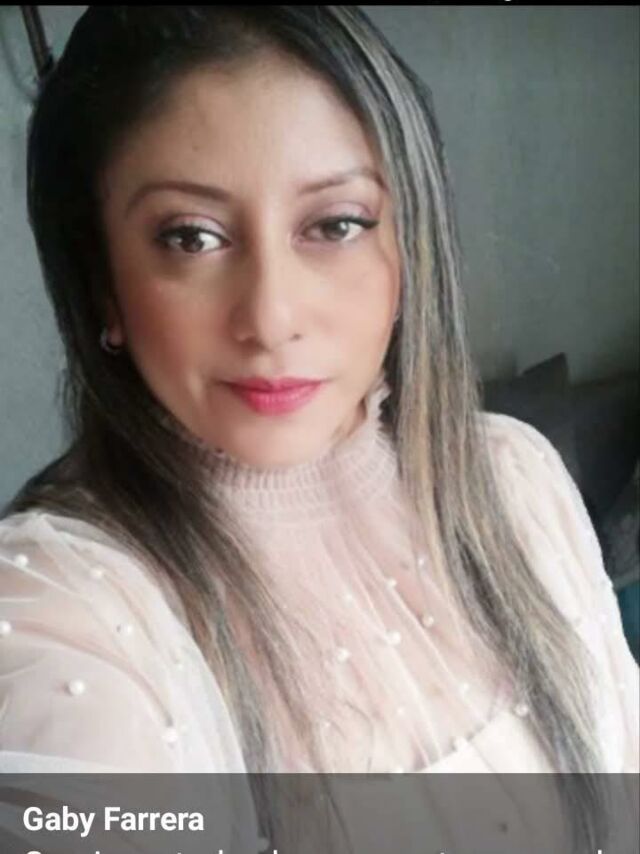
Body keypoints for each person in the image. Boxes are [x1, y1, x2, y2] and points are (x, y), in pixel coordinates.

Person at [0, 6, 637, 851]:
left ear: (408, 247)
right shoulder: (57, 616)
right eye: (191, 237)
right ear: (103, 285)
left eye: (336, 225)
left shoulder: (515, 477)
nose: (271, 318)